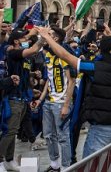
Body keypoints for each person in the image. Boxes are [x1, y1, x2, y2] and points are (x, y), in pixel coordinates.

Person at [38, 26, 111, 172]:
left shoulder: (94, 67)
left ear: (100, 50)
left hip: (101, 130)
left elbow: (65, 56)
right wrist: (109, 31)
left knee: (92, 167)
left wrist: (47, 37)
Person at [0, 28, 45, 172]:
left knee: (13, 131)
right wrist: (43, 38)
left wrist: (32, 80)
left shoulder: (22, 58)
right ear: (16, 41)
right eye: (24, 38)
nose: (27, 40)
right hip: (13, 98)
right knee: (9, 131)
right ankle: (0, 159)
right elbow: (32, 50)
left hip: (22, 97)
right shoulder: (14, 52)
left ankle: (9, 159)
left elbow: (23, 74)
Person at [40, 26, 75, 172]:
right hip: (49, 102)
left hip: (60, 103)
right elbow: (49, 78)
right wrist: (41, 99)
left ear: (55, 38)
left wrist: (66, 105)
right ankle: (55, 164)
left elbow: (71, 81)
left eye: (50, 34)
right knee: (48, 135)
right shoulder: (48, 54)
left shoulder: (63, 56)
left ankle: (66, 166)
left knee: (63, 136)